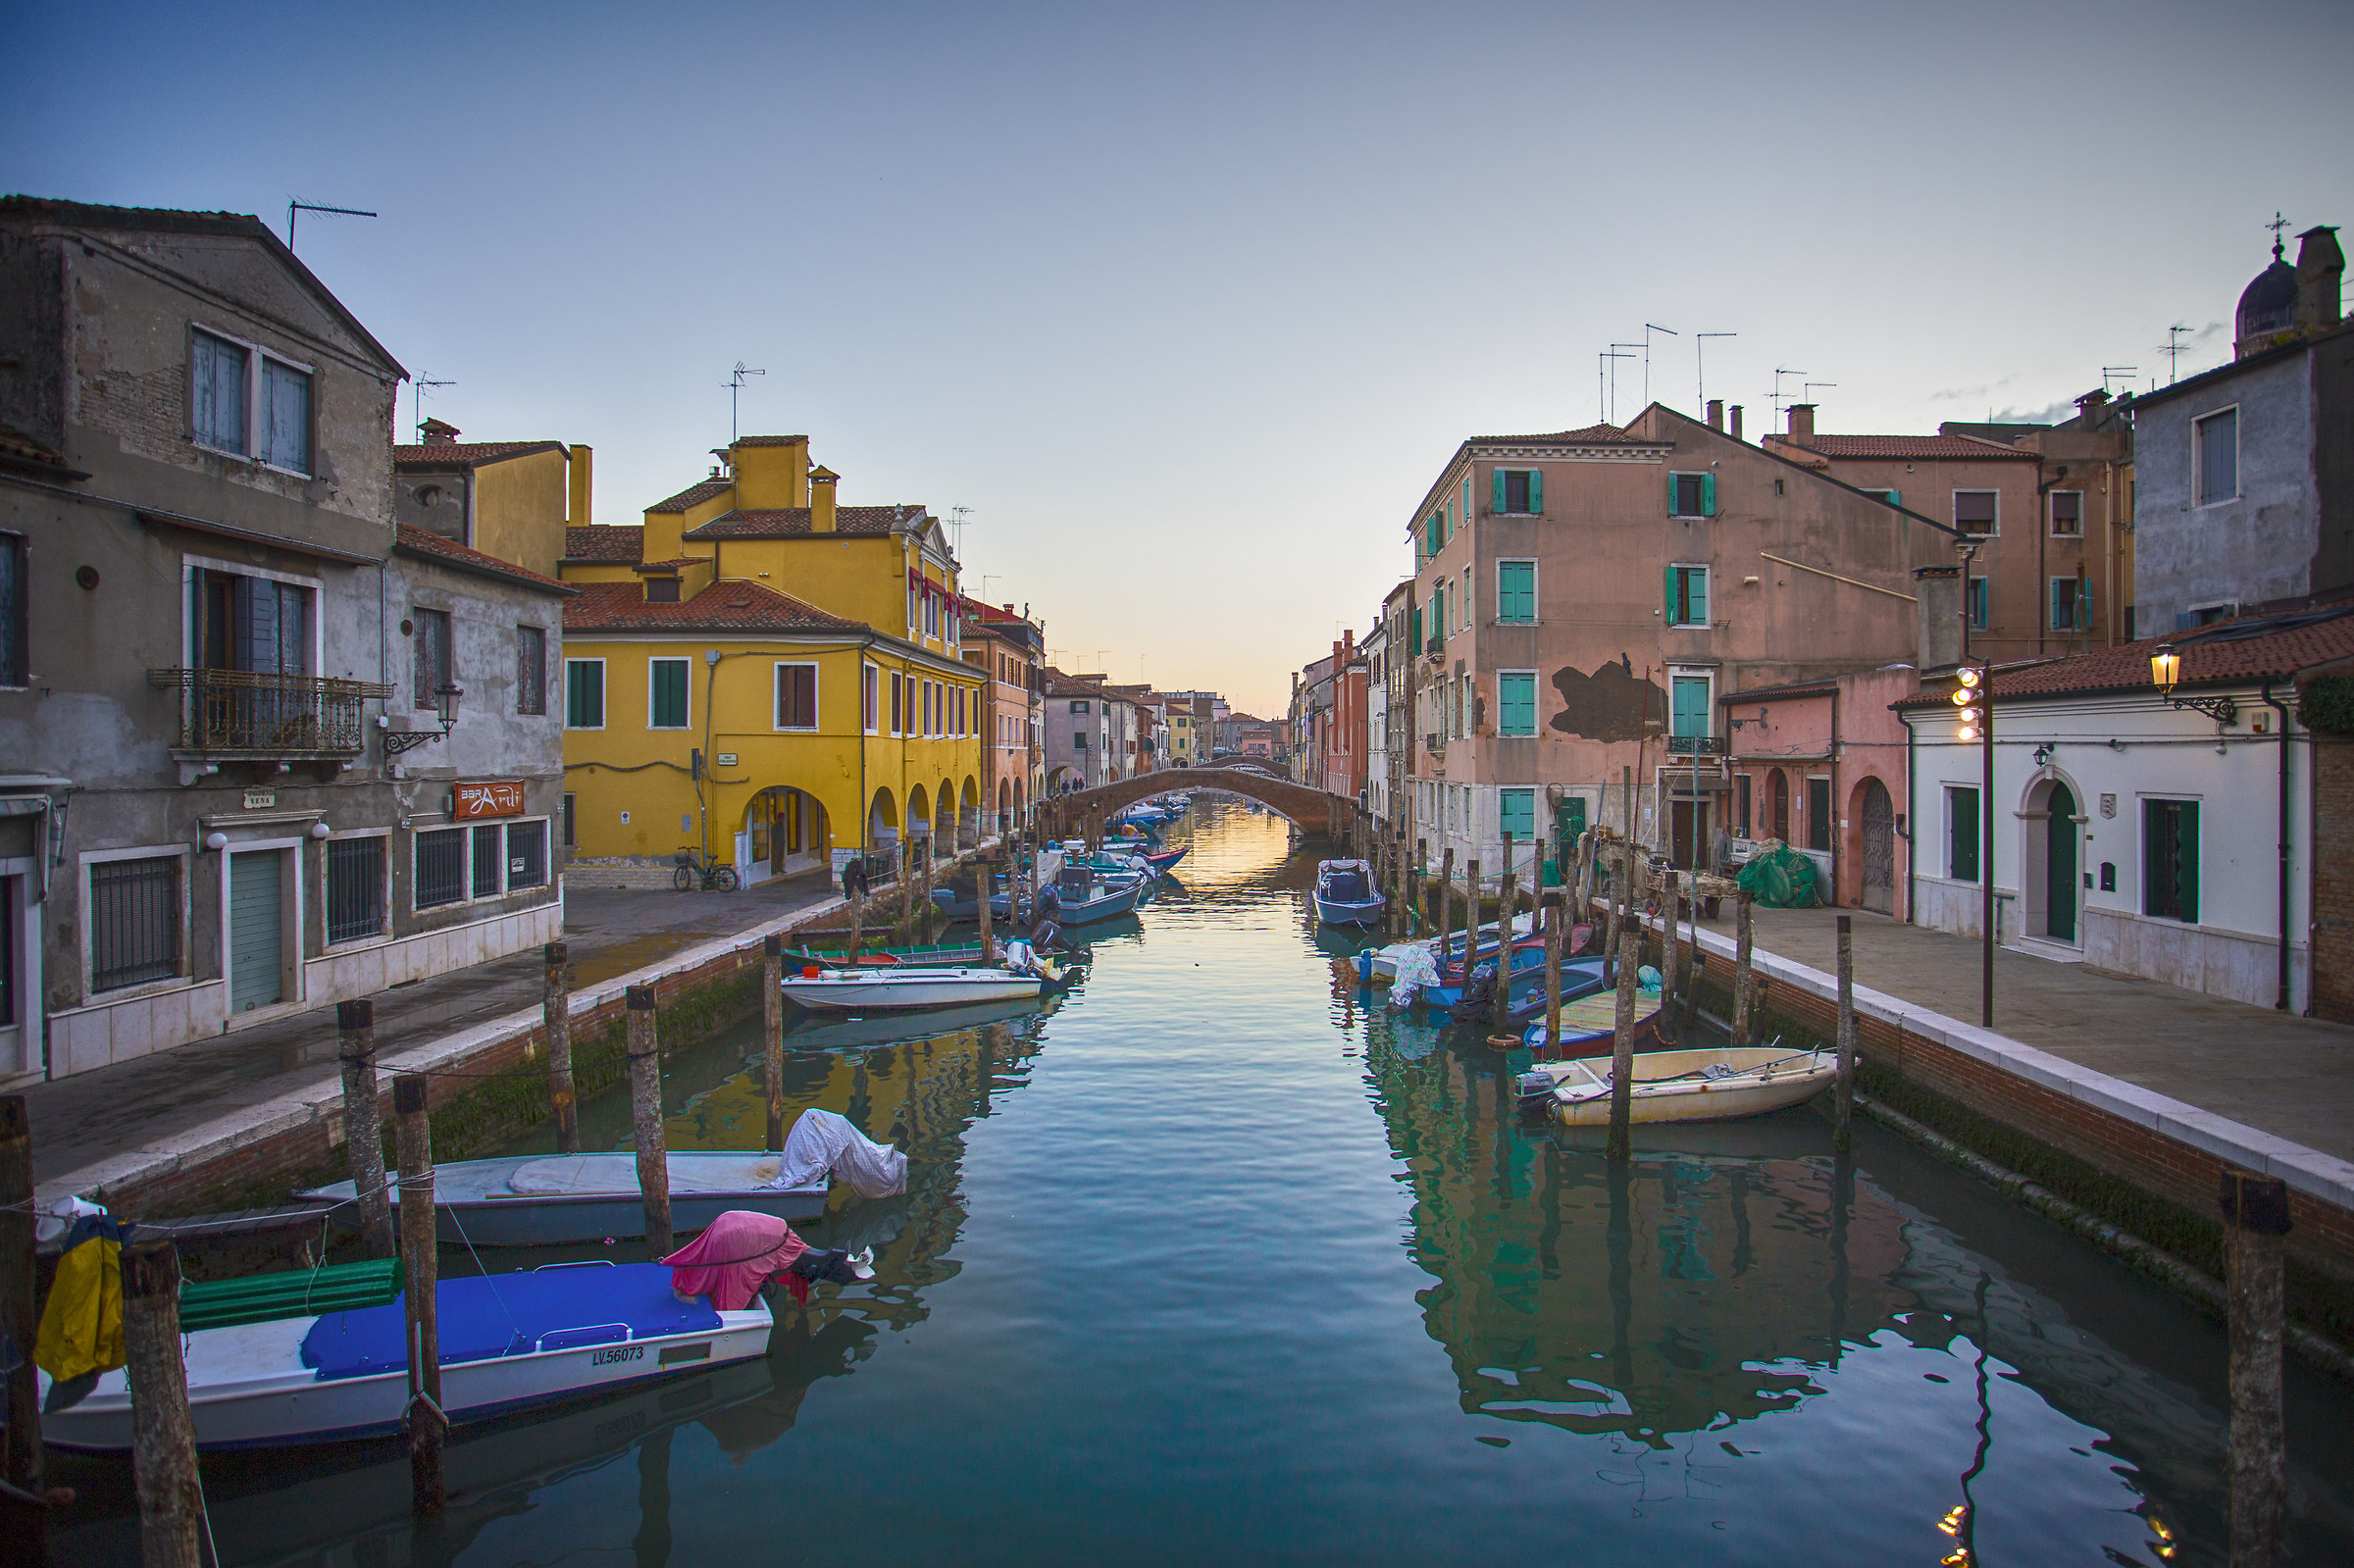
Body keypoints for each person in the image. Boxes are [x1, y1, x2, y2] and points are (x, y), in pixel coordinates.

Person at [662, 1210, 873, 1310]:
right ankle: (727, 1316)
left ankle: (688, 1291)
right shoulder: (788, 1249)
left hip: (729, 1222)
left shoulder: (789, 1239)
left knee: (710, 1262)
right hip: (737, 1237)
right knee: (736, 1282)